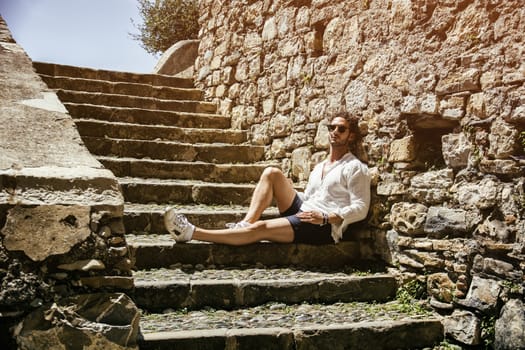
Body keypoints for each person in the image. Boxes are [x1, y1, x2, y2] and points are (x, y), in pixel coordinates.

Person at [164, 111, 371, 245]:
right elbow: (310, 196)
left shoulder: (355, 167)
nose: (334, 132)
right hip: (306, 208)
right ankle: (245, 223)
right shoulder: (320, 166)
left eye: (341, 129)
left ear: (350, 136)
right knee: (272, 173)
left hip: (322, 226)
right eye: (331, 127)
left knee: (262, 228)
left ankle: (191, 232)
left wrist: (326, 218)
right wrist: (290, 193)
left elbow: (361, 208)